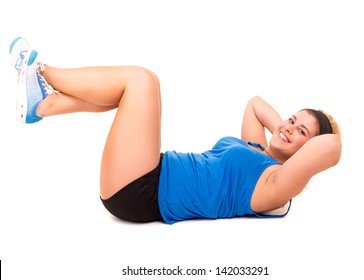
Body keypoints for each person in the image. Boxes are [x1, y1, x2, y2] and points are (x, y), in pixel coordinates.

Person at [9, 37, 342, 224]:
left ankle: (41, 71)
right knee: (123, 93)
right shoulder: (256, 149)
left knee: (141, 81)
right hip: (150, 170)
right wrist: (285, 133)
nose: (289, 127)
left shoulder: (275, 185)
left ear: (307, 153)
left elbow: (330, 147)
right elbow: (255, 103)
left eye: (302, 133)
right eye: (292, 119)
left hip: (145, 193)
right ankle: (43, 106)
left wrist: (305, 143)